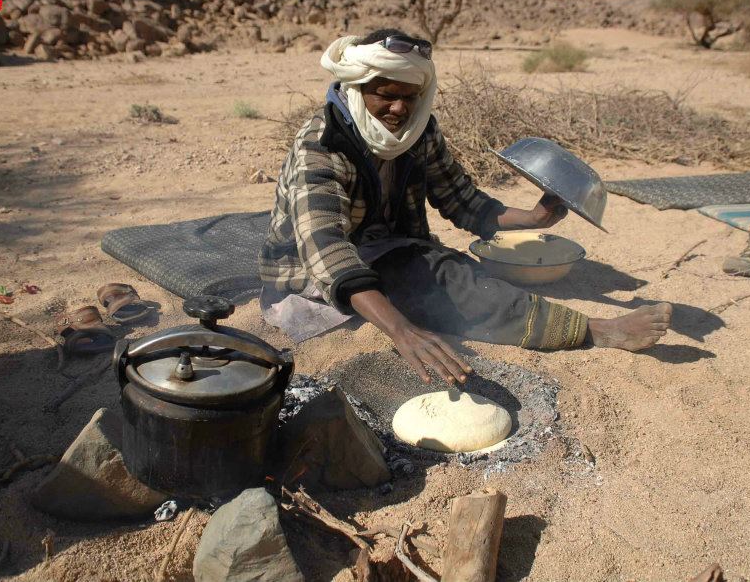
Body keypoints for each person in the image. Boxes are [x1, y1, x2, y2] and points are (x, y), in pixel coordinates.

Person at [259, 29, 672, 386]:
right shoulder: (322, 144)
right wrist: (402, 330)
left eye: (409, 96)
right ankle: (596, 330)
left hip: (388, 247)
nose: (399, 109)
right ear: (356, 87)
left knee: (467, 276)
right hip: (312, 269)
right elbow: (325, 248)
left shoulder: (418, 131)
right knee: (451, 282)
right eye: (385, 95)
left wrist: (535, 218)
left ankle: (540, 317)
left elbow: (461, 200)